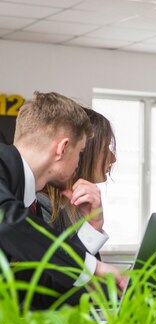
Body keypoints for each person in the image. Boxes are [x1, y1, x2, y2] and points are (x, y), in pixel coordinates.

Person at [0, 91, 125, 309]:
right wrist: (92, 267)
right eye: (80, 151)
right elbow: (7, 220)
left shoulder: (28, 203)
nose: (78, 163)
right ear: (63, 148)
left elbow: (35, 291)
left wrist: (90, 232)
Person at [38, 108, 117, 260]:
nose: (113, 159)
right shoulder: (43, 206)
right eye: (106, 147)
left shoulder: (75, 206)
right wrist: (94, 227)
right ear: (83, 151)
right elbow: (58, 277)